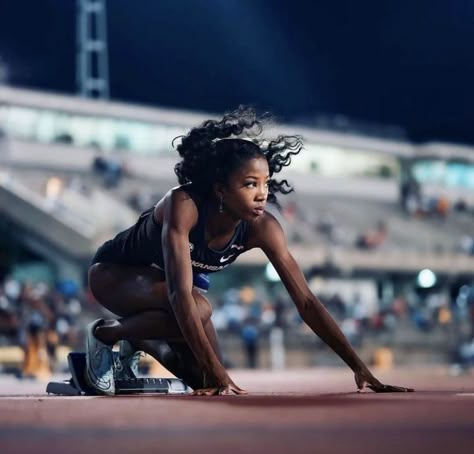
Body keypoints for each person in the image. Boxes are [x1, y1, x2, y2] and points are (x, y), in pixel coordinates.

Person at [86, 107, 413, 396]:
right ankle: (104, 333)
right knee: (200, 313)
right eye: (249, 184)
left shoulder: (263, 228)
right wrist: (222, 374)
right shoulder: (183, 206)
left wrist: (359, 367)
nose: (261, 194)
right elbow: (179, 295)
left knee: (203, 380)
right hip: (114, 275)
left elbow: (307, 302)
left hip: (164, 294)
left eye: (265, 183)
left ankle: (137, 339)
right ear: (220, 189)